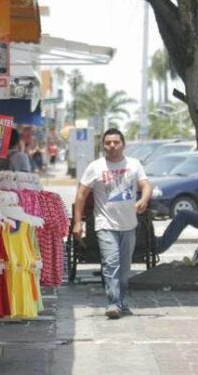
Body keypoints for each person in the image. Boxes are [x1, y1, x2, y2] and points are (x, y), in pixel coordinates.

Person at [72, 128, 151, 320]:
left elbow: (146, 185)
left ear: (123, 144)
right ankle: (113, 303)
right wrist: (77, 222)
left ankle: (120, 302)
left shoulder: (134, 164)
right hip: (105, 224)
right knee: (111, 263)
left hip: (129, 225)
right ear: (103, 146)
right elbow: (81, 194)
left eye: (116, 142)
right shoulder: (95, 167)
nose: (112, 146)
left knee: (124, 270)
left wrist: (144, 199)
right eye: (108, 143)